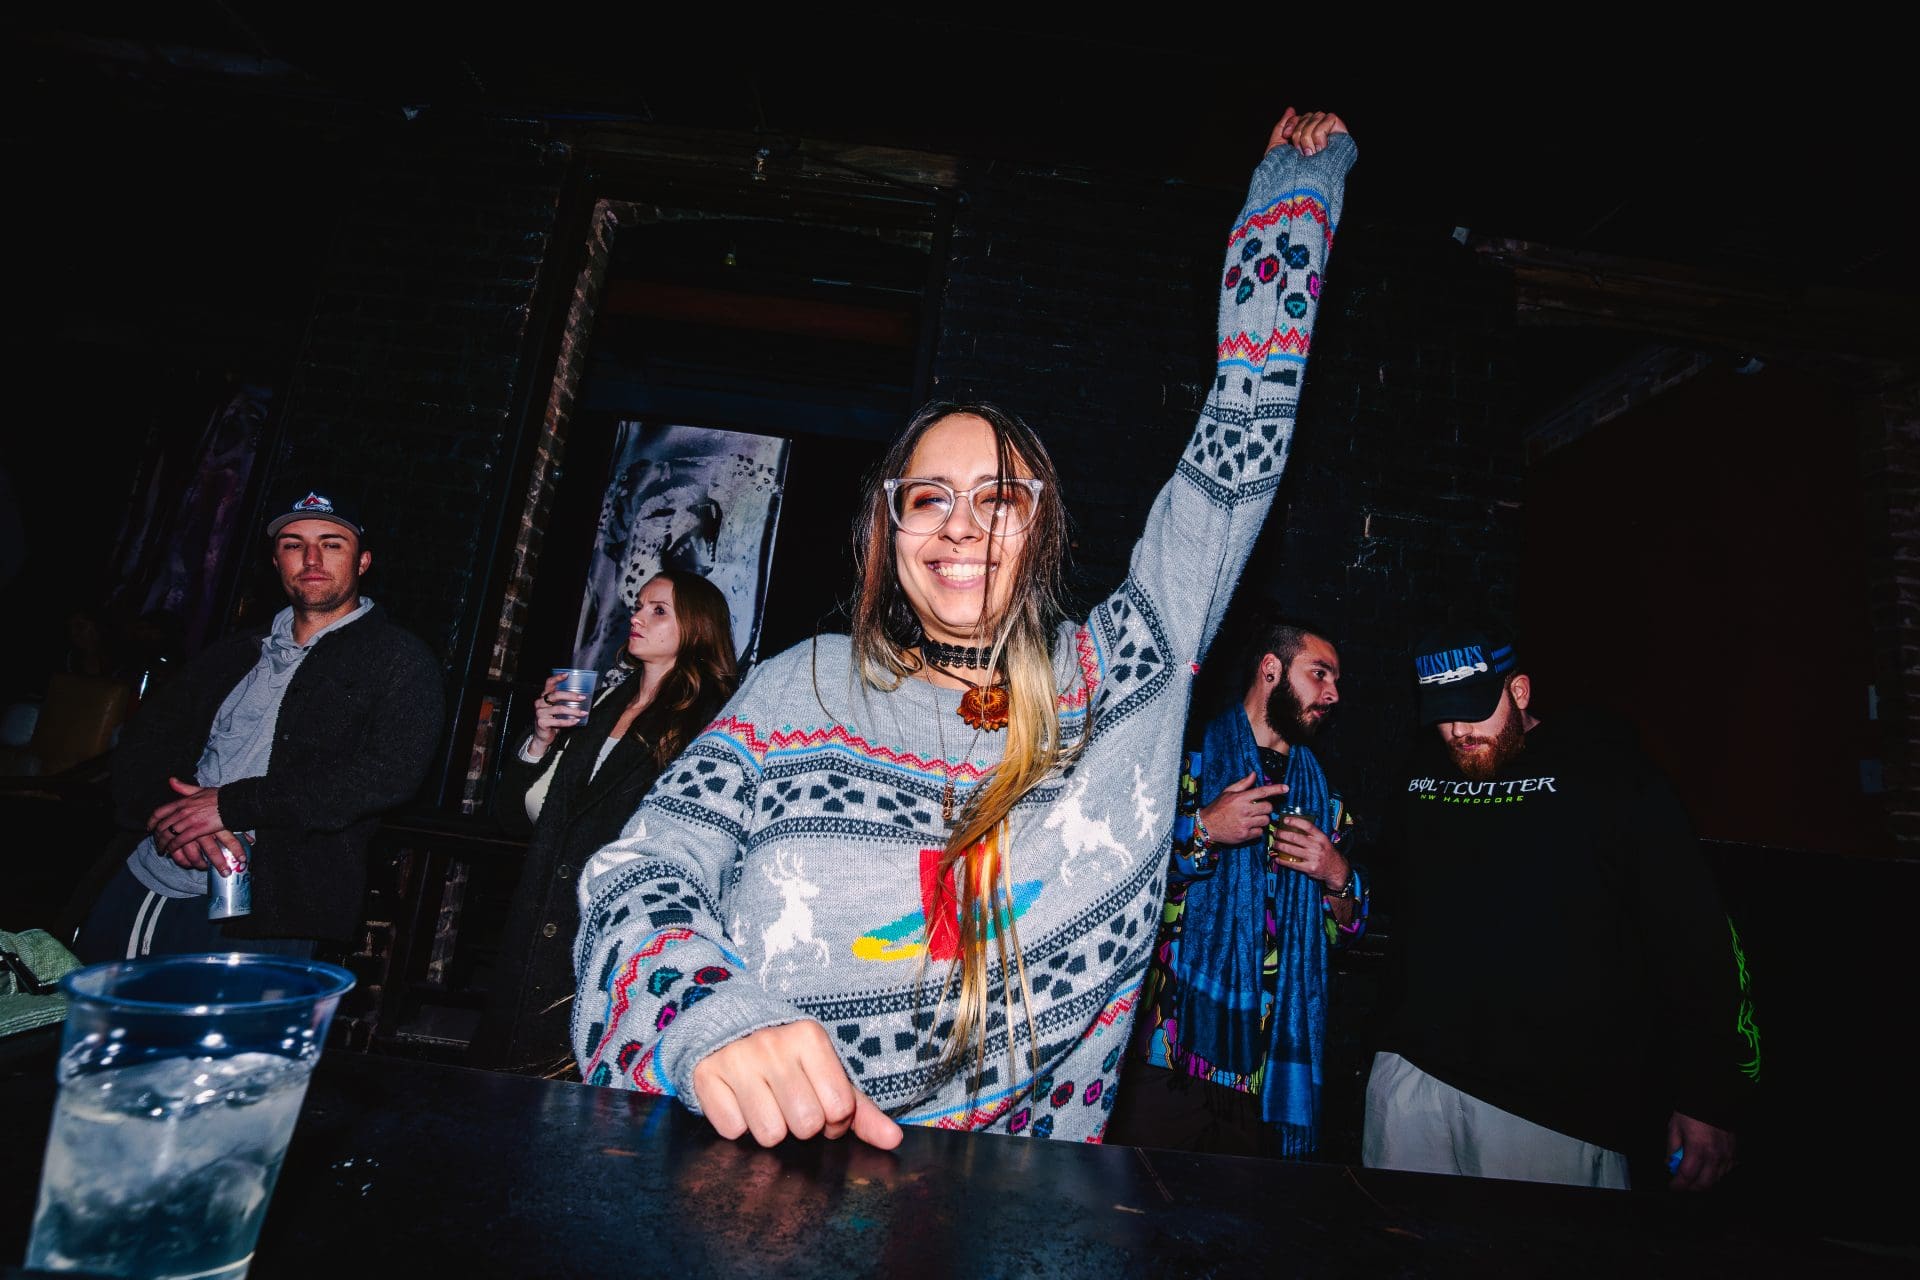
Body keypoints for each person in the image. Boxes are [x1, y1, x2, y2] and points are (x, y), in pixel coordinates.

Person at [570, 108, 1358, 1148]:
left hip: (1021, 1204)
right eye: (929, 498)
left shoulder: (1114, 681)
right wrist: (710, 1015)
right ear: (890, 529)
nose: (961, 526)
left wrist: (1290, 206)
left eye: (999, 499)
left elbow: (1235, 456)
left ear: (1041, 529)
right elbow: (641, 869)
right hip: (775, 1181)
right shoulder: (802, 687)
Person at [1363, 627, 1759, 1190]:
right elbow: (1396, 887)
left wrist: (1710, 1096)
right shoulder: (1420, 771)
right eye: (1444, 716)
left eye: (1473, 710)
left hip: (1546, 1104)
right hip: (1410, 1073)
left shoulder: (1611, 774)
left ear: (1519, 691)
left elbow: (1694, 933)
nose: (1458, 731)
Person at [74, 487, 444, 961]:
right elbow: (143, 744)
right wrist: (173, 819)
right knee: (99, 1007)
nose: (311, 558)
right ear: (276, 561)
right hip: (150, 878)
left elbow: (387, 775)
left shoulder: (399, 660)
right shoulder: (231, 653)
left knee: (234, 1014)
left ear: (363, 561)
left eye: (332, 544)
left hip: (274, 904)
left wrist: (229, 806)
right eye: (293, 545)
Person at [1107, 619, 1366, 1157]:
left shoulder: (1323, 799)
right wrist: (1203, 829)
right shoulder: (1183, 762)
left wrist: (1337, 875)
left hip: (1268, 1072)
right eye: (1320, 674)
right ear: (1271, 669)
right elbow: (1118, 881)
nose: (1333, 694)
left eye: (1336, 681)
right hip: (1170, 1051)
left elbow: (1344, 933)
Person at [470, 570, 739, 1075]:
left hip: (616, 924)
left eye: (658, 610)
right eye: (639, 605)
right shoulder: (603, 703)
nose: (637, 617)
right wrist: (541, 741)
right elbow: (515, 817)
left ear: (697, 627)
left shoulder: (708, 720)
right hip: (541, 916)